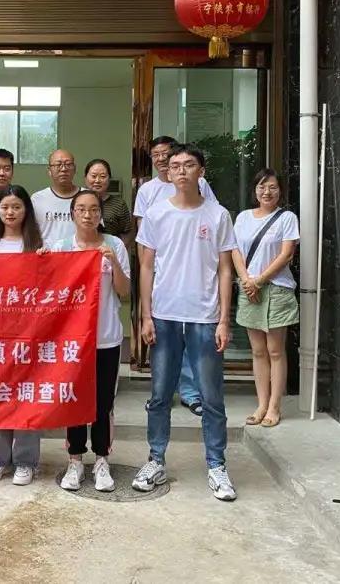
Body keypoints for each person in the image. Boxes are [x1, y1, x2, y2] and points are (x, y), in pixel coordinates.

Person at [133, 145, 238, 502]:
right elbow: (147, 266)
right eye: (174, 165)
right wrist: (146, 315)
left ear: (201, 171)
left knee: (211, 396)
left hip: (204, 317)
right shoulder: (156, 213)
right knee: (160, 394)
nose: (180, 170)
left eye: (188, 165)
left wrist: (224, 319)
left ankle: (217, 465)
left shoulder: (218, 215)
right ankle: (155, 459)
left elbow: (225, 270)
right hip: (164, 315)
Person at [132, 136, 215, 418]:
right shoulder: (147, 191)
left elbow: (210, 218)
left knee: (190, 339)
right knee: (162, 342)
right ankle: (161, 395)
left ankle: (191, 393)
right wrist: (148, 267)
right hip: (161, 273)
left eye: (165, 154)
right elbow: (143, 234)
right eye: (156, 154)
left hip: (194, 274)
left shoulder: (201, 185)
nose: (161, 159)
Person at [54, 189, 130, 493]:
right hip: (72, 341)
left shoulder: (114, 245)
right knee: (74, 399)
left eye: (94, 209)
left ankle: (101, 460)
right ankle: (75, 459)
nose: (88, 215)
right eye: (82, 209)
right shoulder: (61, 247)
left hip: (106, 338)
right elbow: (51, 292)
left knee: (102, 403)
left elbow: (124, 291)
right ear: (72, 213)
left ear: (101, 213)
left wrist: (115, 264)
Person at [0, 185, 45, 486]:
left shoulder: (37, 246)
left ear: (26, 210)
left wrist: (48, 261)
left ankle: (26, 461)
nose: (10, 212)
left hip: (28, 334)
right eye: (5, 207)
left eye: (17, 207)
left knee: (26, 396)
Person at [232, 169, 300, 429]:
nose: (267, 192)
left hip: (276, 289)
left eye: (272, 187)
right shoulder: (243, 218)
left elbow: (286, 254)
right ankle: (261, 404)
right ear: (255, 190)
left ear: (280, 190)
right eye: (262, 187)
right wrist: (246, 280)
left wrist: (259, 280)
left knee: (275, 350)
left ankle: (274, 406)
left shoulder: (287, 218)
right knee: (258, 351)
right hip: (249, 288)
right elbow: (234, 250)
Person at [31, 148, 80, 244]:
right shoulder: (37, 199)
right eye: (58, 165)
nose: (63, 169)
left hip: (79, 252)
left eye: (68, 164)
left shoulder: (88, 197)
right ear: (49, 170)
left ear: (74, 169)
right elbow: (30, 232)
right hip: (47, 252)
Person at [83, 158, 132, 248]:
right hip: (83, 252)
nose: (97, 180)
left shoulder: (119, 204)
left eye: (102, 176)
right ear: (85, 178)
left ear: (109, 179)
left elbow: (127, 232)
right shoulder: (78, 202)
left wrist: (118, 251)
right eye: (93, 176)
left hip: (110, 252)